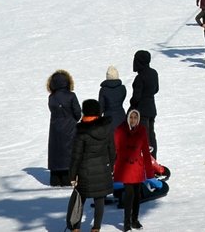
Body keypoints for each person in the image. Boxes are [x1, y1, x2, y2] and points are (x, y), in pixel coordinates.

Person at [68, 99, 115, 232]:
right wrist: (110, 167)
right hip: (103, 169)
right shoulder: (107, 128)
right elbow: (112, 150)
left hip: (85, 172)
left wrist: (72, 175)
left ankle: (76, 228)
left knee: (80, 200)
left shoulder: (82, 131)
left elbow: (76, 156)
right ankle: (96, 228)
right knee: (100, 199)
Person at [114, 109, 154, 230]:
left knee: (137, 195)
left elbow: (146, 152)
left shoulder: (141, 130)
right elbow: (115, 149)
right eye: (131, 117)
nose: (133, 120)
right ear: (127, 118)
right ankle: (126, 222)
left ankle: (135, 220)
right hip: (126, 167)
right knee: (129, 194)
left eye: (135, 118)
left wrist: (150, 172)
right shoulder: (120, 130)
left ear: (138, 119)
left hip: (137, 167)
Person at [47, 69, 82, 186]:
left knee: (56, 151)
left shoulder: (51, 97)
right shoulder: (71, 96)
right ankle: (68, 178)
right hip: (70, 127)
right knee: (69, 152)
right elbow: (77, 112)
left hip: (55, 128)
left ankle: (55, 179)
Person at [130, 50, 159, 158]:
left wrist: (131, 104)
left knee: (144, 137)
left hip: (142, 111)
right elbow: (156, 89)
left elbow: (136, 97)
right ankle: (153, 159)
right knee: (151, 135)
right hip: (152, 108)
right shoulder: (154, 73)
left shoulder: (140, 77)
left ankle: (146, 161)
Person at [99, 65, 127, 132]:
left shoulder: (103, 90)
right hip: (121, 117)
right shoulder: (122, 88)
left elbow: (101, 107)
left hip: (108, 118)